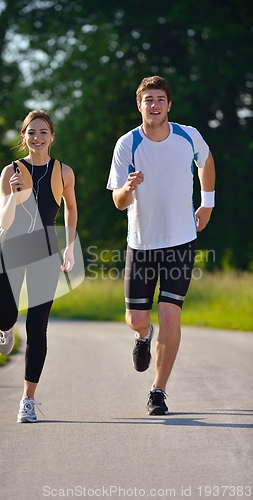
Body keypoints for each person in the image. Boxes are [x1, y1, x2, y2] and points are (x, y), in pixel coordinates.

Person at [107, 76, 215, 415]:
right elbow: (119, 202)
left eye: (160, 99)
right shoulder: (127, 144)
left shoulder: (188, 136)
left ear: (168, 105)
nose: (154, 105)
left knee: (170, 312)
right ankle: (143, 337)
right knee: (136, 317)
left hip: (181, 240)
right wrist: (128, 186)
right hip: (141, 243)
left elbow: (206, 163)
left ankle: (158, 391)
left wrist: (207, 203)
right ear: (139, 105)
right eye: (148, 99)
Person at [0, 110, 77, 422]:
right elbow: (4, 221)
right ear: (24, 137)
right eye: (31, 132)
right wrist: (14, 196)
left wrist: (69, 247)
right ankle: (3, 328)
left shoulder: (64, 172)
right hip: (9, 248)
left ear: (52, 137)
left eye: (43, 132)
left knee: (37, 327)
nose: (37, 138)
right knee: (6, 316)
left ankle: (27, 399)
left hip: (44, 251)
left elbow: (70, 210)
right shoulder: (10, 171)